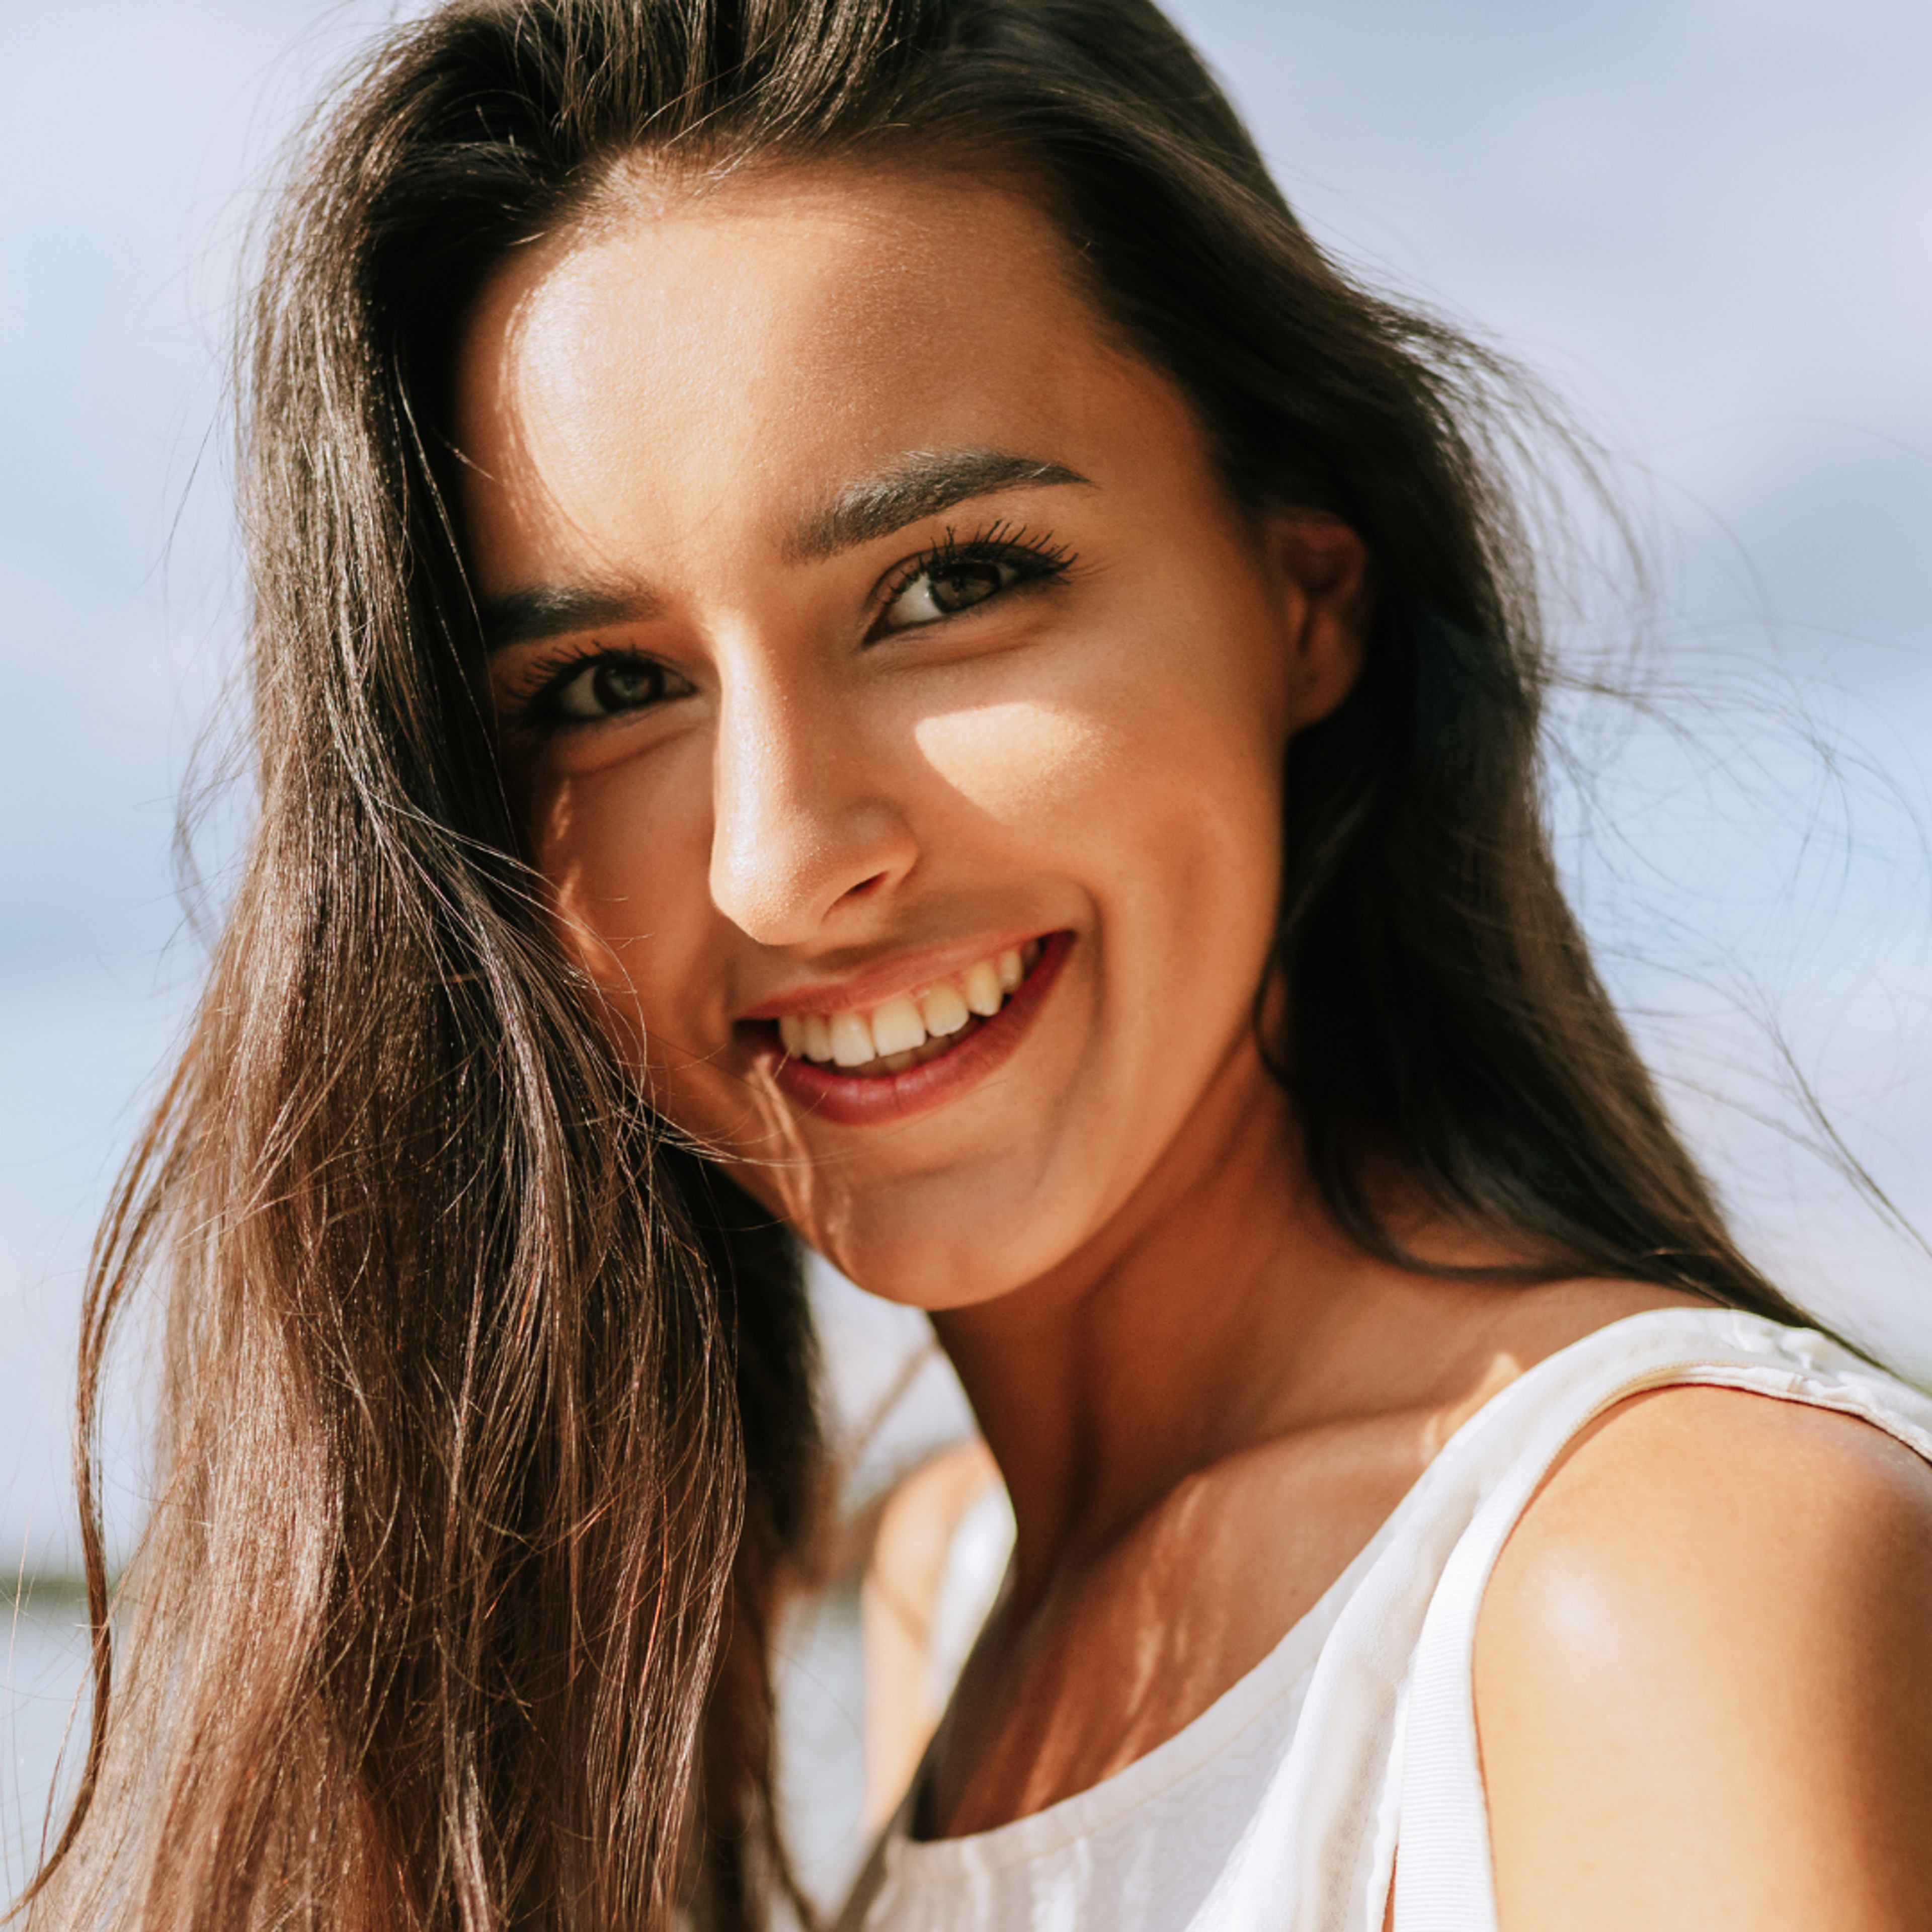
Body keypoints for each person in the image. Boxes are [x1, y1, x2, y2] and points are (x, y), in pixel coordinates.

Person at [25, 0, 1932, 1927]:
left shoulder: (1661, 1582)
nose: (784, 860)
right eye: (610, 687)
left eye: (948, 586)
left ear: (1302, 598)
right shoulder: (958, 1587)